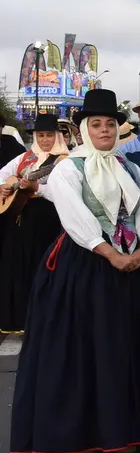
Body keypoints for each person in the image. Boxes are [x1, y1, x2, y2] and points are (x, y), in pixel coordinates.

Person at [10, 88, 140, 453]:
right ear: (83, 129)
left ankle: (121, 430)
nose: (105, 130)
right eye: (97, 124)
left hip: (129, 263)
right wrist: (109, 253)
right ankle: (79, 437)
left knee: (123, 344)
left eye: (110, 124)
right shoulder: (68, 168)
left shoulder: (130, 168)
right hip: (84, 264)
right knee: (83, 346)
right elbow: (75, 218)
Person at [0, 113, 69, 334]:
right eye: (40, 135)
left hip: (48, 220)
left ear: (57, 136)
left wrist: (37, 188)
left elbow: (63, 193)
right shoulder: (25, 157)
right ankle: (18, 319)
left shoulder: (65, 161)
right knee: (17, 268)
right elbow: (3, 174)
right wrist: (3, 187)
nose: (45, 139)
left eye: (49, 135)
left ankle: (42, 321)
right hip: (20, 221)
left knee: (42, 267)